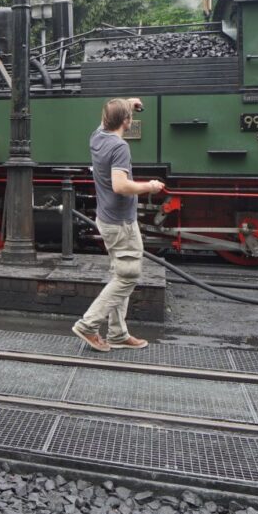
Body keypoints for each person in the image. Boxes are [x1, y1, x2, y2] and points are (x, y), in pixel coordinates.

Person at [71, 100, 164, 352]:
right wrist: (150, 186)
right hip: (121, 222)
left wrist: (128, 104)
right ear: (126, 122)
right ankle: (88, 325)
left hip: (107, 218)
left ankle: (118, 333)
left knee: (120, 273)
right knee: (128, 275)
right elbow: (120, 185)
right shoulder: (119, 146)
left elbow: (107, 117)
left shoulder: (97, 136)